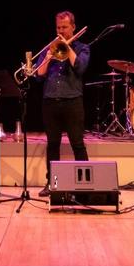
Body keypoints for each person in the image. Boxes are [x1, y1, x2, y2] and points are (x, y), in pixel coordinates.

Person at [35, 11, 90, 197]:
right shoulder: (49, 48)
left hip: (73, 101)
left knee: (77, 144)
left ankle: (85, 184)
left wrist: (67, 47)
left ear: (73, 27)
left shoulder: (83, 47)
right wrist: (50, 54)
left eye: (65, 27)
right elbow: (39, 74)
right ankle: (52, 184)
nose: (61, 31)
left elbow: (80, 67)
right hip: (50, 101)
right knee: (52, 144)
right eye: (58, 27)